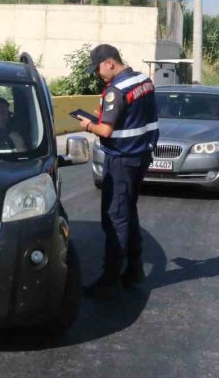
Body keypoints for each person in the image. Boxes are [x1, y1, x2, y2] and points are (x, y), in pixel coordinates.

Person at [79, 44, 158, 299]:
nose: (98, 74)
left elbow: (106, 131)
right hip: (141, 155)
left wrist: (89, 125)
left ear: (110, 62)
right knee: (128, 213)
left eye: (99, 68)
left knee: (114, 219)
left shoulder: (116, 90)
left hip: (122, 160)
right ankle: (134, 269)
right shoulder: (143, 80)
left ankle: (108, 280)